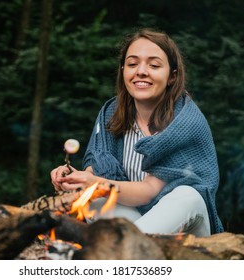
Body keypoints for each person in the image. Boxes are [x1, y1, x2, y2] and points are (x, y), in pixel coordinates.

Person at [51, 28, 224, 236]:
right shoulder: (110, 113)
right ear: (123, 70)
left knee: (188, 195)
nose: (141, 71)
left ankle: (122, 252)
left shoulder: (185, 122)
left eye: (154, 65)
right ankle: (130, 252)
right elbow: (96, 170)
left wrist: (96, 184)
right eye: (133, 64)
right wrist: (75, 178)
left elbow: (149, 192)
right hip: (139, 225)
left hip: (187, 228)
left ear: (172, 76)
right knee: (95, 197)